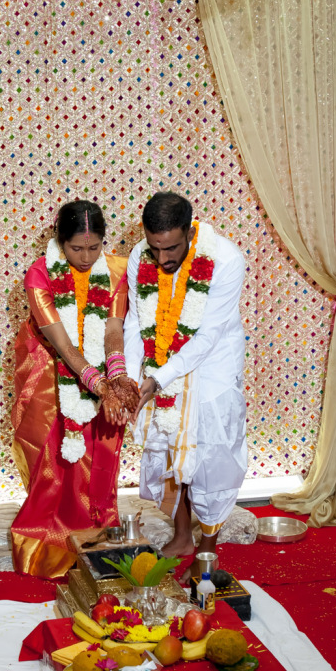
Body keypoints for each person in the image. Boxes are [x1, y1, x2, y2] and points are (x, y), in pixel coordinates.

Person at [11, 200, 139, 578]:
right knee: (54, 455)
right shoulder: (40, 274)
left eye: (94, 247)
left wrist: (116, 376)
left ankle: (98, 532)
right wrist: (98, 384)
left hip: (99, 363)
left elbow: (113, 328)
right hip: (50, 368)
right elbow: (65, 346)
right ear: (59, 242)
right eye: (76, 248)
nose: (85, 257)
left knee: (102, 444)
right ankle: (52, 540)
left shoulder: (115, 271)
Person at [124, 191, 247, 567]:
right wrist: (131, 380)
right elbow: (135, 322)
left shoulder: (226, 260)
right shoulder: (139, 257)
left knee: (210, 452)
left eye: (172, 248)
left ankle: (208, 542)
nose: (162, 258)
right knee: (168, 442)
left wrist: (157, 380)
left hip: (213, 368)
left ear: (190, 232)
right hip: (160, 363)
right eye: (154, 247)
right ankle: (182, 534)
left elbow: (207, 336)